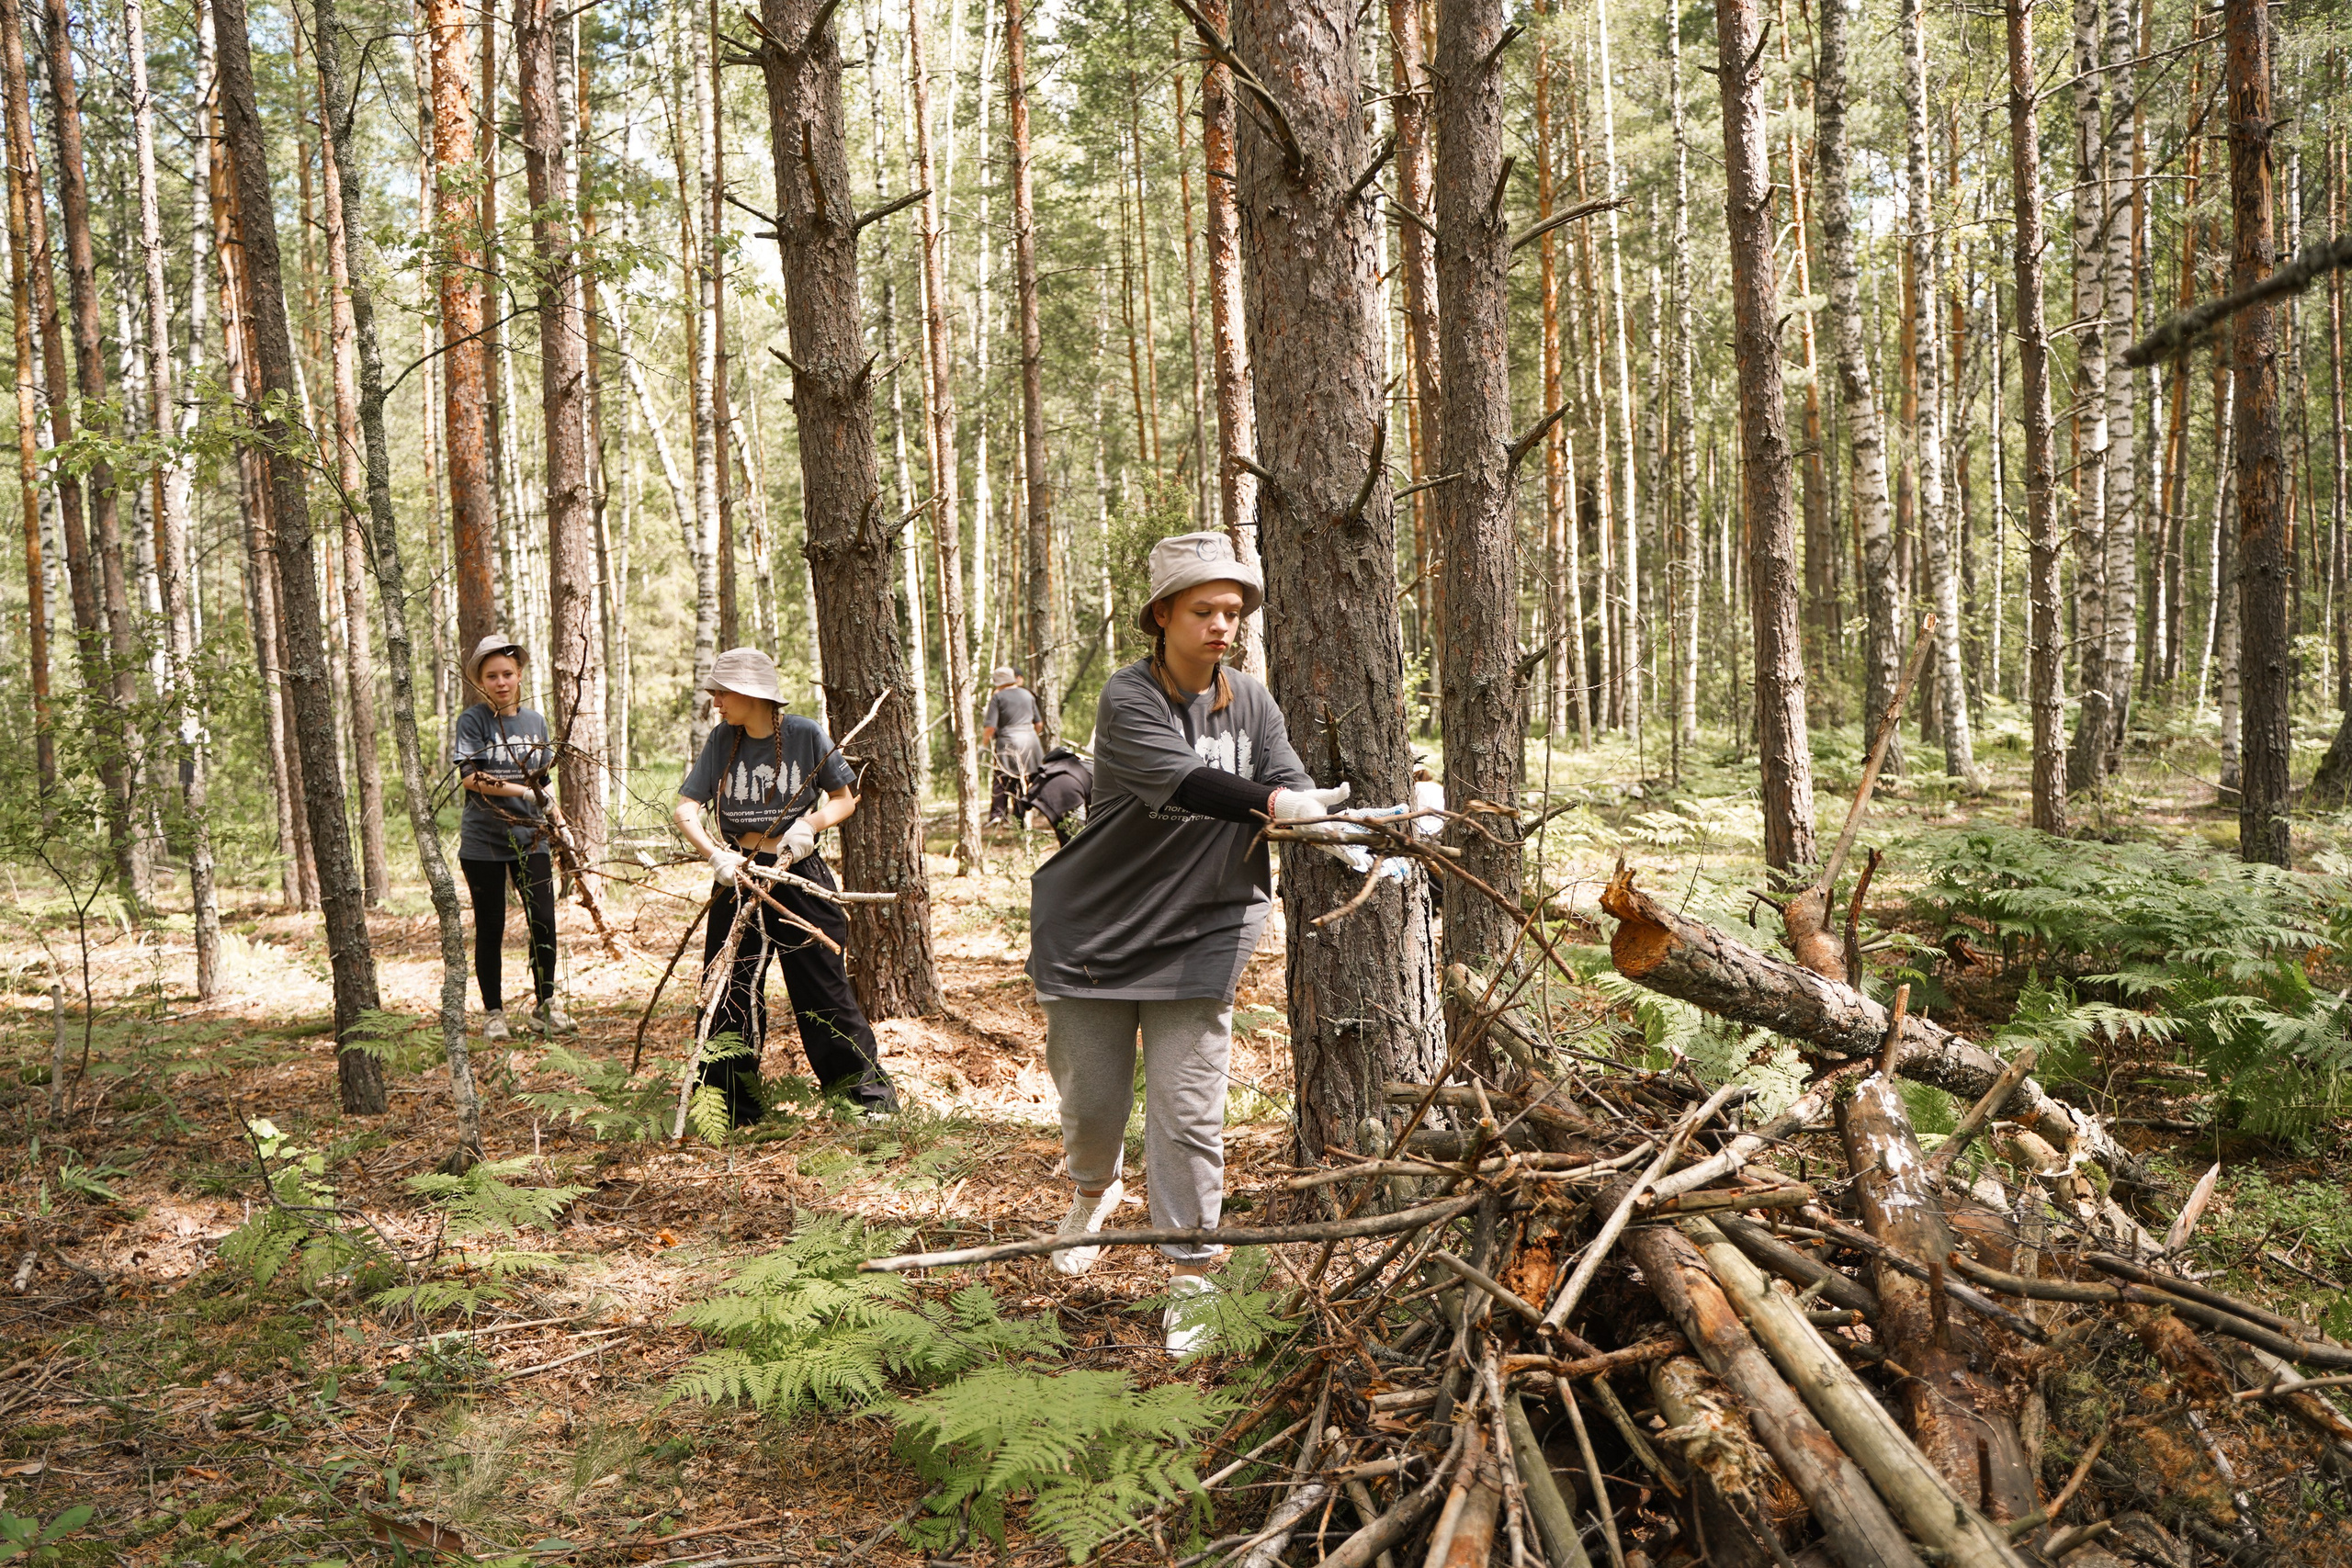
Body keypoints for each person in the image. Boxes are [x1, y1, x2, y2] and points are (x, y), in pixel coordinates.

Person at [1026, 531, 1363, 1353]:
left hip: (1205, 927)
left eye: (1233, 610)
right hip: (1097, 929)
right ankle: (1092, 1191)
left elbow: (1280, 778)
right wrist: (1284, 809)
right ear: (1164, 614)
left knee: (1186, 1112)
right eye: (1204, 609)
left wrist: (1330, 813)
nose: (1223, 624)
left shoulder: (1250, 700)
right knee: (1093, 1102)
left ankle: (1191, 1272)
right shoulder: (1128, 697)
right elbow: (1191, 783)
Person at [673, 647, 899, 1126]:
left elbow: (844, 799)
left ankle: (865, 1101)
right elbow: (685, 809)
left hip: (798, 872)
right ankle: (731, 1109)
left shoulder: (804, 734)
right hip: (742, 876)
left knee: (823, 989)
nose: (715, 701)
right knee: (730, 990)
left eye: (722, 692)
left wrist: (810, 824)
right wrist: (716, 853)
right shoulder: (721, 740)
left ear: (751, 693)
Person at [453, 635, 575, 1041]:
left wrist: (559, 821)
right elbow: (470, 777)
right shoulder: (472, 722)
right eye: (492, 676)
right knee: (491, 927)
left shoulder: (535, 722)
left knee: (543, 921)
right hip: (483, 842)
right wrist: (520, 790)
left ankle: (545, 1007)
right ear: (481, 682)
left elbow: (542, 781)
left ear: (519, 675)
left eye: (507, 674)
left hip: (532, 838)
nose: (501, 682)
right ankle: (494, 1014)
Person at [982, 666, 1046, 825]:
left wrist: (982, 745)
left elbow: (990, 727)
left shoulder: (998, 697)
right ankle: (1024, 817)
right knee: (1028, 779)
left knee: (1004, 780)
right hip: (1031, 743)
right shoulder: (1027, 694)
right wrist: (1030, 736)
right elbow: (1039, 724)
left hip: (1008, 744)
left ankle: (1001, 816)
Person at [1015, 746, 1093, 845]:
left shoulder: (1091, 765)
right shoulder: (1105, 772)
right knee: (1079, 842)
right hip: (1068, 789)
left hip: (1044, 782)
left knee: (1072, 842)